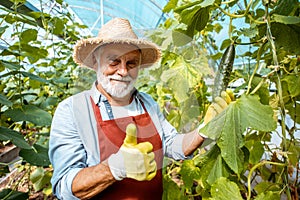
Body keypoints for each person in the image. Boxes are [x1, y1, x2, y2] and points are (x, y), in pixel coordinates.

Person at [49, 18, 231, 200]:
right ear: (96, 62)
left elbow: (171, 144)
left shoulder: (147, 103)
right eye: (114, 61)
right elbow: (64, 187)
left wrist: (205, 129)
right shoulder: (72, 110)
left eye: (131, 63)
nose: (123, 71)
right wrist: (114, 168)